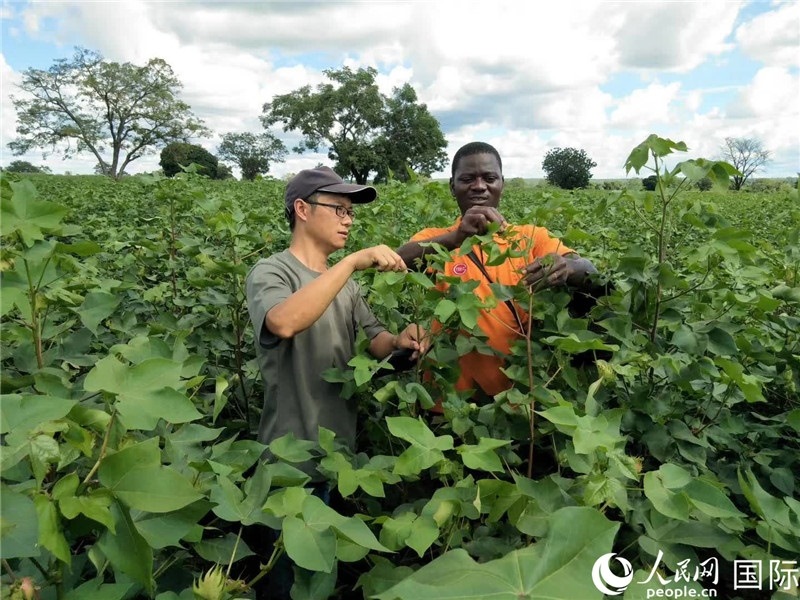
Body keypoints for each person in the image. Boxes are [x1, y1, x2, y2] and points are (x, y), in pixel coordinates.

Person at [246, 165, 427, 456]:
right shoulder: (271, 272)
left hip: (339, 454)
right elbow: (283, 322)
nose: (348, 221)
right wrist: (352, 262)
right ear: (303, 209)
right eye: (339, 210)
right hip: (290, 458)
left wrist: (398, 341)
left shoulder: (346, 285)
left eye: (350, 212)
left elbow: (375, 339)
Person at [396, 141, 598, 402]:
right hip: (447, 402)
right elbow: (399, 260)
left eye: (489, 178)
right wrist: (455, 238)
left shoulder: (529, 238)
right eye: (468, 178)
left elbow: (589, 271)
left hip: (519, 401)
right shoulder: (436, 240)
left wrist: (567, 266)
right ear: (452, 186)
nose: (479, 186)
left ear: (502, 183)